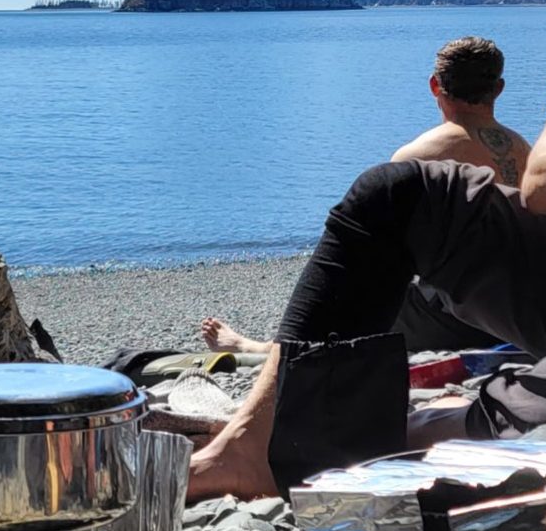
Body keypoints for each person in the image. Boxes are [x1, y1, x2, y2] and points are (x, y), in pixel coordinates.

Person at [189, 61, 546, 502]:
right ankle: (256, 446)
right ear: (497, 89)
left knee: (421, 329)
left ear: (437, 89)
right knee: (396, 197)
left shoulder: (431, 141)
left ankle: (423, 428)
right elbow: (543, 177)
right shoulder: (512, 144)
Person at [200, 37, 528, 357]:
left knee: (349, 297)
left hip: (458, 316)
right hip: (520, 313)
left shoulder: (416, 160)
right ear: (498, 88)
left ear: (434, 86)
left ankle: (264, 351)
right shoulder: (525, 151)